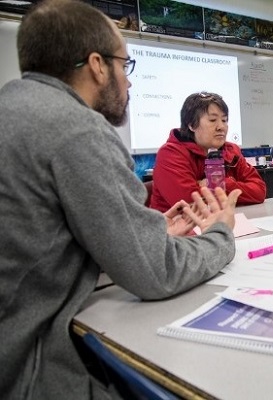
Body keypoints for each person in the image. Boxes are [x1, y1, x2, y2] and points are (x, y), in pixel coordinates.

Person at [0, 1, 242, 398]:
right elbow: (157, 271)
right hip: (27, 370)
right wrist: (220, 235)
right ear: (97, 65)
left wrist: (141, 230)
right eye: (124, 66)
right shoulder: (77, 129)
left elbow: (34, 237)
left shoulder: (13, 106)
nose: (128, 84)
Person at [149, 92, 266, 212]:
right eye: (212, 120)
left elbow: (259, 191)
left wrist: (218, 183)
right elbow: (190, 203)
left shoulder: (231, 150)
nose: (221, 127)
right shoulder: (170, 153)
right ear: (191, 125)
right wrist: (227, 189)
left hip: (224, 221)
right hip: (175, 227)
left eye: (224, 120)